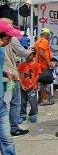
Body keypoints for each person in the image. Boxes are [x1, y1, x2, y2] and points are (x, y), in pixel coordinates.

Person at [1, 18, 32, 137]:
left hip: (6, 75)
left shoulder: (6, 41)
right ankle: (13, 129)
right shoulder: (11, 38)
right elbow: (23, 53)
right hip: (10, 77)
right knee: (14, 102)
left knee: (4, 103)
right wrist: (28, 51)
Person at [0, 20, 19, 155]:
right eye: (7, 38)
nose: (9, 41)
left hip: (1, 102)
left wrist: (6, 72)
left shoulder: (1, 51)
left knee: (6, 139)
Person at [18, 48, 41, 124]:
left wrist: (32, 85)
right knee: (23, 102)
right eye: (26, 54)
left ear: (34, 55)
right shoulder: (22, 64)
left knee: (33, 102)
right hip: (23, 87)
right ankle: (22, 115)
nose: (27, 56)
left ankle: (33, 114)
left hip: (32, 88)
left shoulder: (37, 65)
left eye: (29, 55)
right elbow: (20, 75)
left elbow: (37, 75)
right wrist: (21, 85)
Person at [34, 28, 54, 106]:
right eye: (48, 35)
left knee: (40, 82)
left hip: (38, 65)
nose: (49, 37)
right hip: (43, 65)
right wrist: (48, 61)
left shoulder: (38, 41)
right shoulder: (44, 41)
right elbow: (41, 51)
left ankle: (40, 99)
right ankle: (43, 100)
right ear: (47, 35)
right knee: (44, 83)